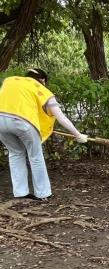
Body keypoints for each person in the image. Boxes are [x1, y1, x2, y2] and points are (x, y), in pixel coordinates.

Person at [0, 68, 87, 200]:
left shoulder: (9, 81)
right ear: (42, 80)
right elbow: (61, 118)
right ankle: (43, 193)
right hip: (24, 123)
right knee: (35, 156)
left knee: (15, 154)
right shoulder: (42, 90)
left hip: (1, 121)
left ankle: (20, 193)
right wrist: (78, 134)